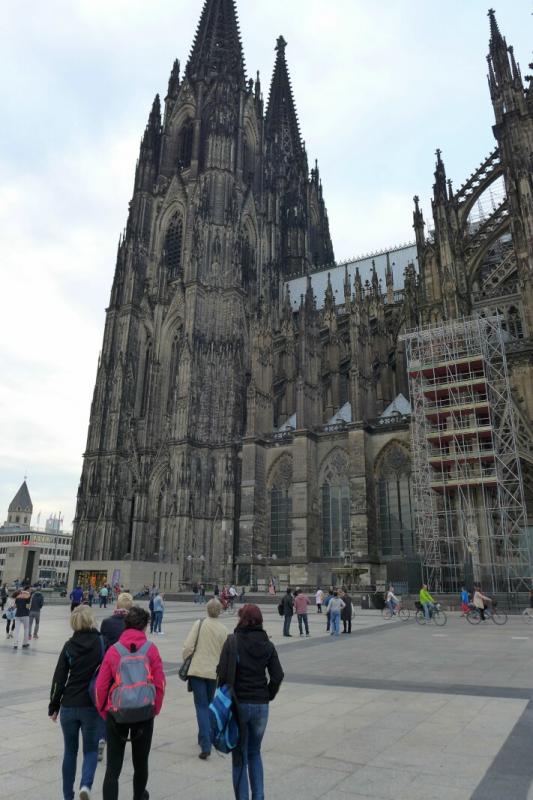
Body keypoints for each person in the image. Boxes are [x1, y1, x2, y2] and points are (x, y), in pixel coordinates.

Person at [95, 606, 166, 800]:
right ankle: (138, 796)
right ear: (144, 626)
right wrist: (155, 708)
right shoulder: (151, 649)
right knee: (141, 763)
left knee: (113, 767)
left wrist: (104, 711)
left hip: (116, 712)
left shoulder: (114, 650)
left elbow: (100, 686)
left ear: (125, 625)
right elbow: (160, 683)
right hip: (144, 711)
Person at [217, 604, 284, 800]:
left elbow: (222, 674)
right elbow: (278, 675)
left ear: (242, 619)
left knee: (240, 756)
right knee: (255, 752)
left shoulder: (232, 641)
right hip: (261, 705)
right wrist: (268, 694)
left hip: (239, 704)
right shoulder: (268, 645)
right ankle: (259, 797)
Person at [49, 605, 104, 800]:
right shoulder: (101, 643)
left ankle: (68, 796)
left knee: (70, 752)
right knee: (90, 749)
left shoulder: (69, 646)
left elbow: (59, 678)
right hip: (91, 705)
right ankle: (85, 785)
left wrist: (54, 705)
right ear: (91, 620)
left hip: (69, 704)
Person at [182, 598, 228, 759]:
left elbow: (188, 646)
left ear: (207, 610)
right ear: (220, 611)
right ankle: (204, 737)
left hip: (197, 670)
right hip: (213, 673)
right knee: (208, 705)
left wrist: (187, 659)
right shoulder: (223, 629)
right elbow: (225, 653)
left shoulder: (199, 624)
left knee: (201, 706)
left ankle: (206, 743)